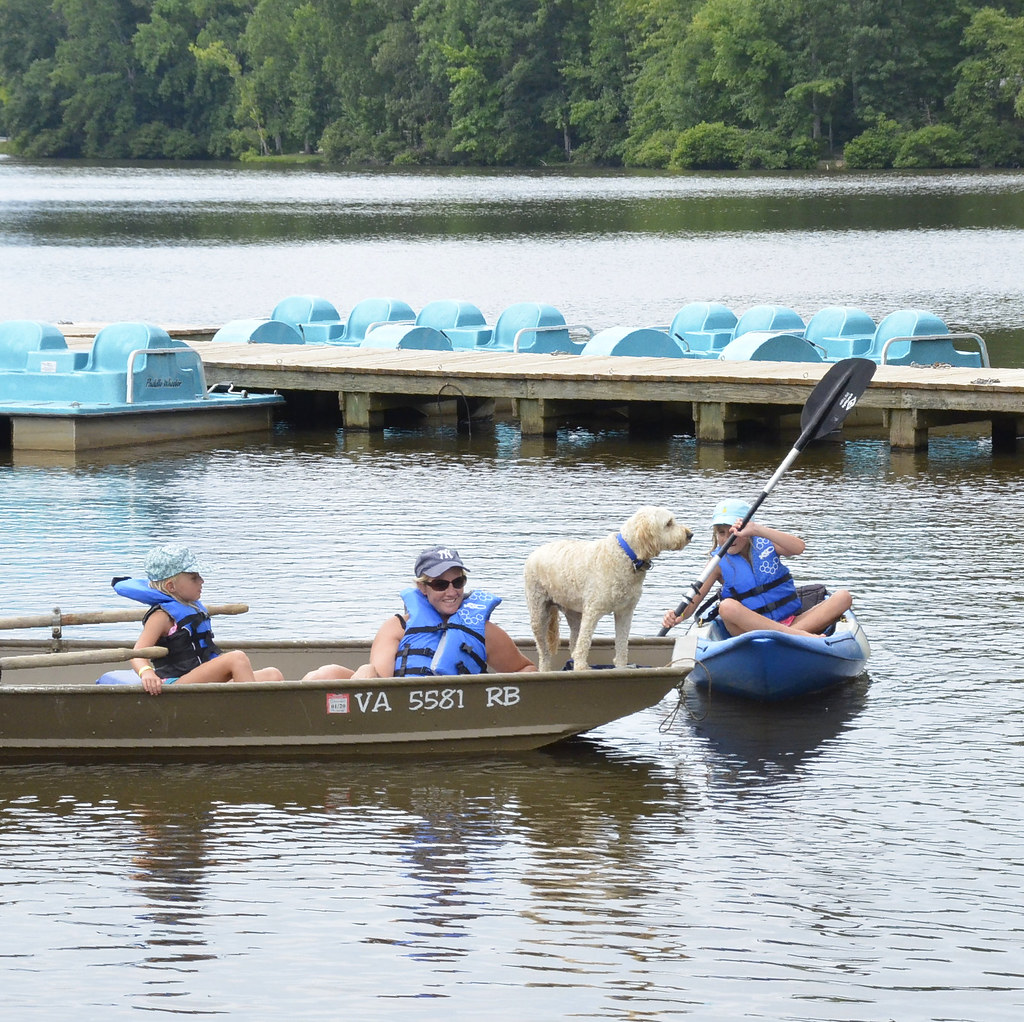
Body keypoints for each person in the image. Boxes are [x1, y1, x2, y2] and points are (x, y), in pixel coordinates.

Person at [304, 545, 536, 680]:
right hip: (399, 708)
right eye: (440, 585)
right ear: (422, 588)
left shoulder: (484, 632)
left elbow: (526, 670)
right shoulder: (397, 627)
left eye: (458, 582)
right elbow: (379, 682)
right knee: (335, 673)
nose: (451, 591)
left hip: (461, 708)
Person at [661, 499, 852, 638]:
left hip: (793, 622)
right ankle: (799, 636)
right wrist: (677, 616)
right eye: (721, 533)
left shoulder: (766, 543)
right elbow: (694, 599)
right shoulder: (718, 563)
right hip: (749, 632)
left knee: (843, 597)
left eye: (734, 532)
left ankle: (792, 635)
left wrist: (758, 529)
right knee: (726, 607)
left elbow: (799, 548)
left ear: (747, 529)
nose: (728, 538)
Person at [113, 545, 284, 695]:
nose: (201, 581)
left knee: (273, 674)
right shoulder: (162, 616)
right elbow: (137, 654)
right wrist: (147, 673)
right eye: (194, 578)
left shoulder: (192, 607)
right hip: (177, 683)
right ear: (171, 586)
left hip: (199, 675)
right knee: (236, 658)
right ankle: (249, 715)